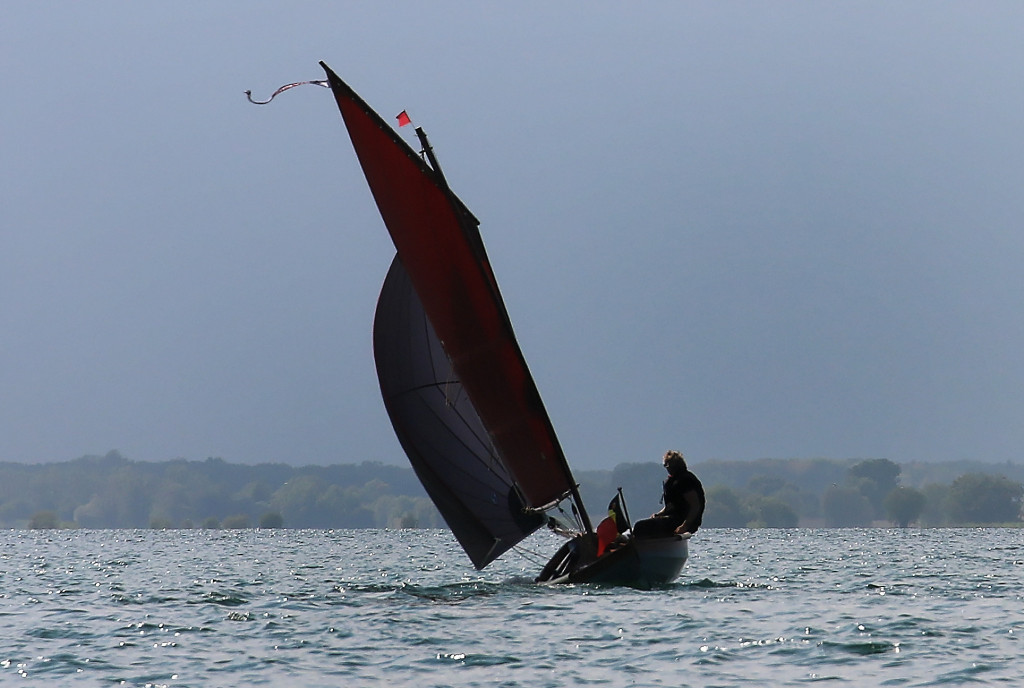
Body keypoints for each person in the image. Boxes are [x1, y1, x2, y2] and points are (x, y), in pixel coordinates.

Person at [632, 450, 705, 539]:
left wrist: (684, 526)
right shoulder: (674, 481)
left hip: (682, 521)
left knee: (640, 526)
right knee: (641, 525)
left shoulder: (685, 480)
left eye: (666, 465)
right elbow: (671, 507)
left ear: (671, 465)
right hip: (674, 518)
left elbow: (695, 505)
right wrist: (658, 515)